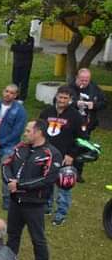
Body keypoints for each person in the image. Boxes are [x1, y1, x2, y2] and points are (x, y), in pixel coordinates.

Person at [4, 119, 61, 260]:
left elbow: (47, 179)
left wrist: (19, 185)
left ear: (38, 132)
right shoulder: (20, 148)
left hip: (34, 204)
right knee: (12, 235)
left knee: (38, 239)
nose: (25, 133)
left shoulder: (52, 154)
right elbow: (6, 165)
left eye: (28, 131)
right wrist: (10, 182)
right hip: (16, 201)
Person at [39, 86, 85, 226]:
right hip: (46, 154)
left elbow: (82, 138)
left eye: (66, 98)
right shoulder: (46, 112)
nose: (62, 100)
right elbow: (38, 130)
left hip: (65, 157)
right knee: (45, 182)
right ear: (56, 96)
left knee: (64, 186)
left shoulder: (76, 116)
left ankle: (61, 213)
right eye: (60, 97)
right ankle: (46, 207)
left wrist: (72, 154)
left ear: (70, 100)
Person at [68, 67, 107, 182]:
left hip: (87, 124)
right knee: (69, 146)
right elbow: (58, 101)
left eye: (86, 80)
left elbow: (104, 102)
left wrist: (93, 105)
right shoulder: (69, 88)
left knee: (82, 148)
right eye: (82, 80)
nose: (84, 82)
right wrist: (75, 103)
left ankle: (78, 173)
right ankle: (66, 170)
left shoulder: (94, 88)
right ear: (77, 78)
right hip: (70, 124)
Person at [10, 35, 35, 102]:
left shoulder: (30, 39)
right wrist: (22, 48)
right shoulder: (15, 39)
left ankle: (22, 97)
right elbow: (13, 48)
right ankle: (15, 96)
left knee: (25, 81)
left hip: (26, 63)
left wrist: (19, 48)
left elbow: (29, 48)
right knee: (15, 81)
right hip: (17, 63)